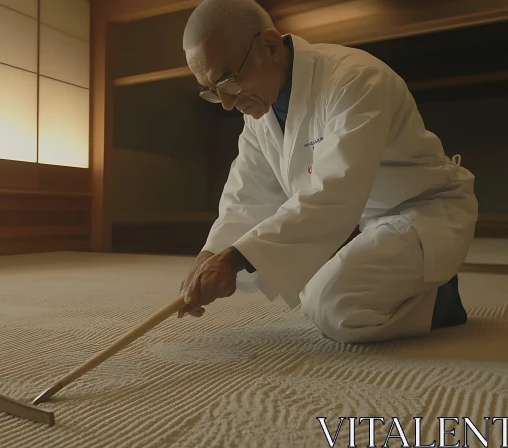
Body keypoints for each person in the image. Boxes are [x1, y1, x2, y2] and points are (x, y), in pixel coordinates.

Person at [176, 0, 478, 344]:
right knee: (304, 281)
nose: (227, 103)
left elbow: (336, 190)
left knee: (330, 305)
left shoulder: (354, 78)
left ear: (271, 47)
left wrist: (235, 259)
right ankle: (396, 276)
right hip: (364, 223)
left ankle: (441, 300)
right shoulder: (259, 112)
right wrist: (211, 255)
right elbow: (249, 195)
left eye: (228, 81)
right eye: (213, 92)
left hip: (425, 212)